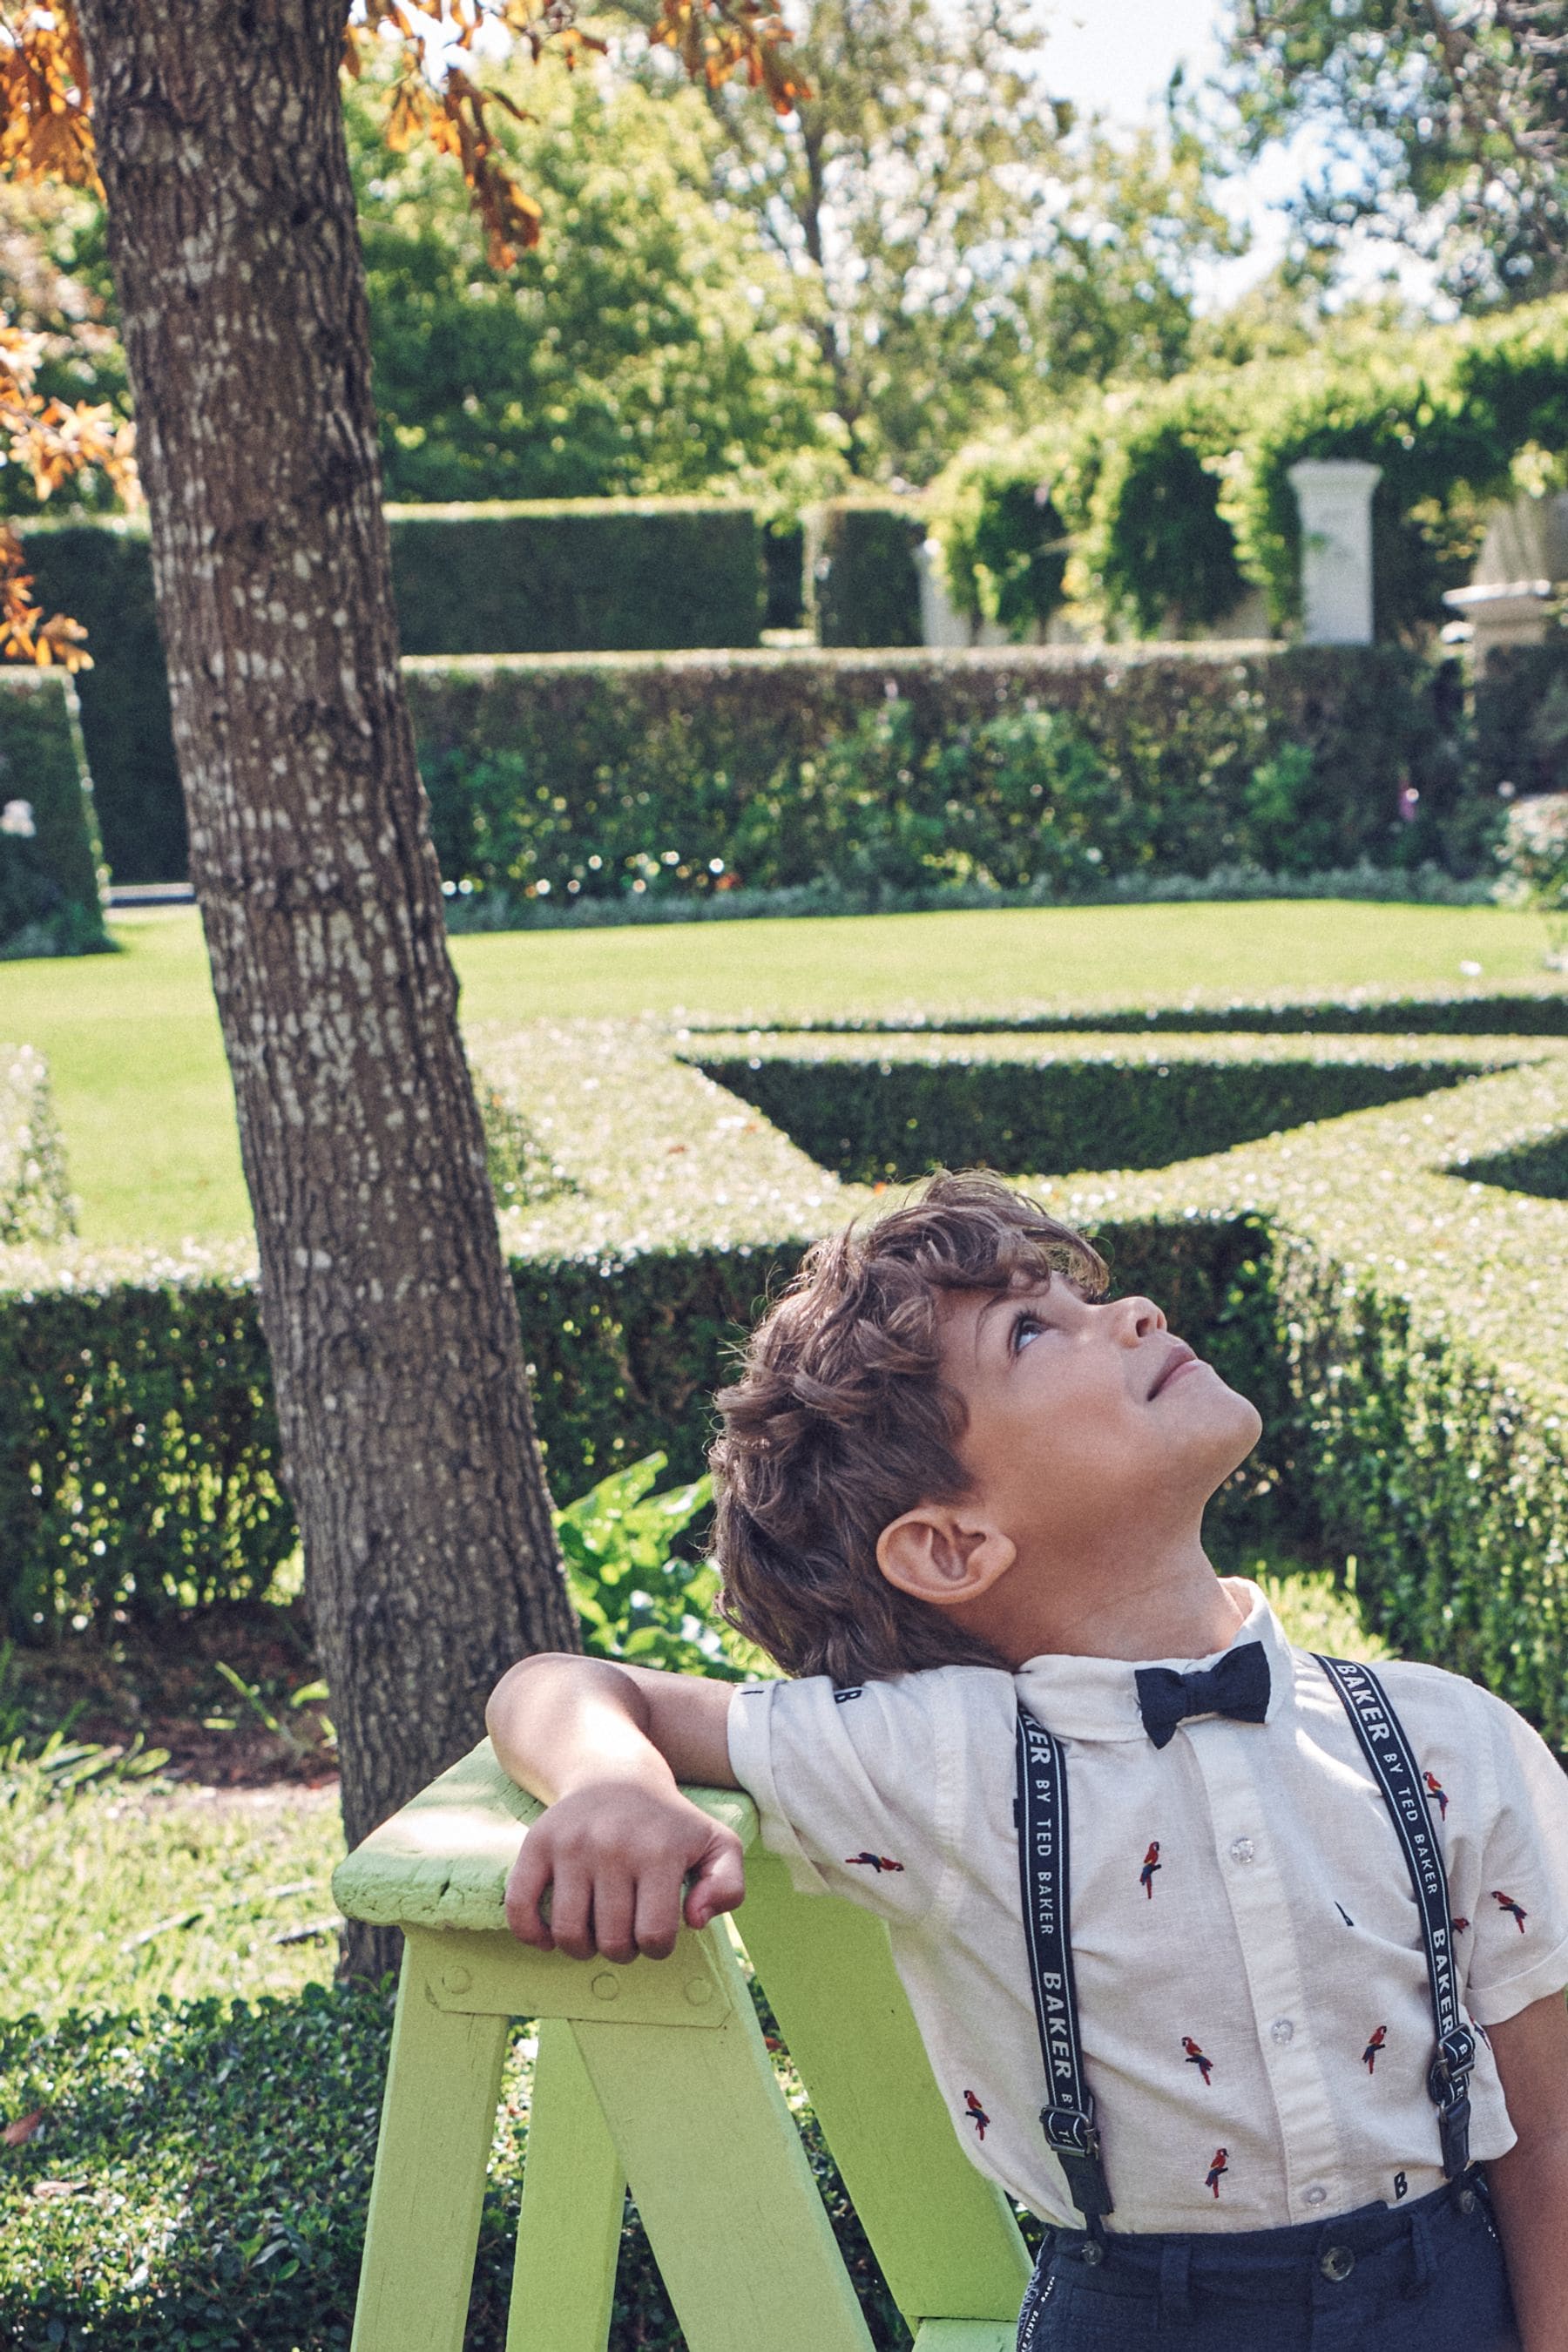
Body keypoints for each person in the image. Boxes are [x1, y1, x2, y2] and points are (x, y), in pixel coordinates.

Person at [486, 1171, 1568, 2349]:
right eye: (1033, 1330)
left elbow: (1555, 2132)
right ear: (952, 1547)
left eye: (1081, 1299)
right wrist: (612, 1785)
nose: (1137, 1312)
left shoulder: (1446, 1740)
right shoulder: (941, 1758)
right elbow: (563, 1686)